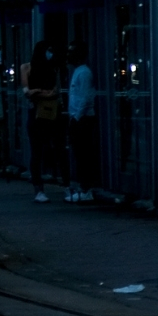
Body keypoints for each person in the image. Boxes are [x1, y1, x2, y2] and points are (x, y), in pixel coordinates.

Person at [20, 41, 63, 202]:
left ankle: (64, 184)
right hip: (36, 113)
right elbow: (27, 92)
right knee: (36, 151)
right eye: (48, 50)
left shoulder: (53, 68)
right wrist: (41, 92)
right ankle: (38, 188)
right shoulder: (26, 67)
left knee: (56, 147)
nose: (49, 54)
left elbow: (55, 92)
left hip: (50, 112)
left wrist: (37, 92)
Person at [65, 44, 97, 203]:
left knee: (83, 154)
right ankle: (84, 187)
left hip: (82, 119)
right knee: (80, 154)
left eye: (71, 52)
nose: (68, 55)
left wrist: (76, 117)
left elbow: (84, 97)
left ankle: (86, 188)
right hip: (78, 117)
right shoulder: (79, 71)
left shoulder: (83, 73)